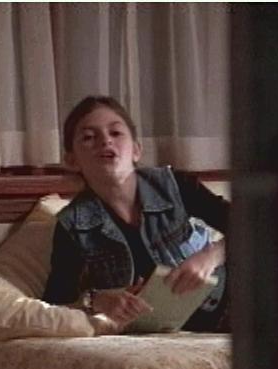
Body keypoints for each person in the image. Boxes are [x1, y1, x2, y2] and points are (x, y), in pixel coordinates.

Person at [43, 96, 230, 334]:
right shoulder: (73, 224)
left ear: (136, 150)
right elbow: (55, 300)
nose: (105, 140)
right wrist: (96, 300)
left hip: (230, 302)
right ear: (72, 160)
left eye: (116, 133)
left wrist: (210, 257)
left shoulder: (174, 185)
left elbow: (253, 222)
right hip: (156, 331)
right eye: (89, 137)